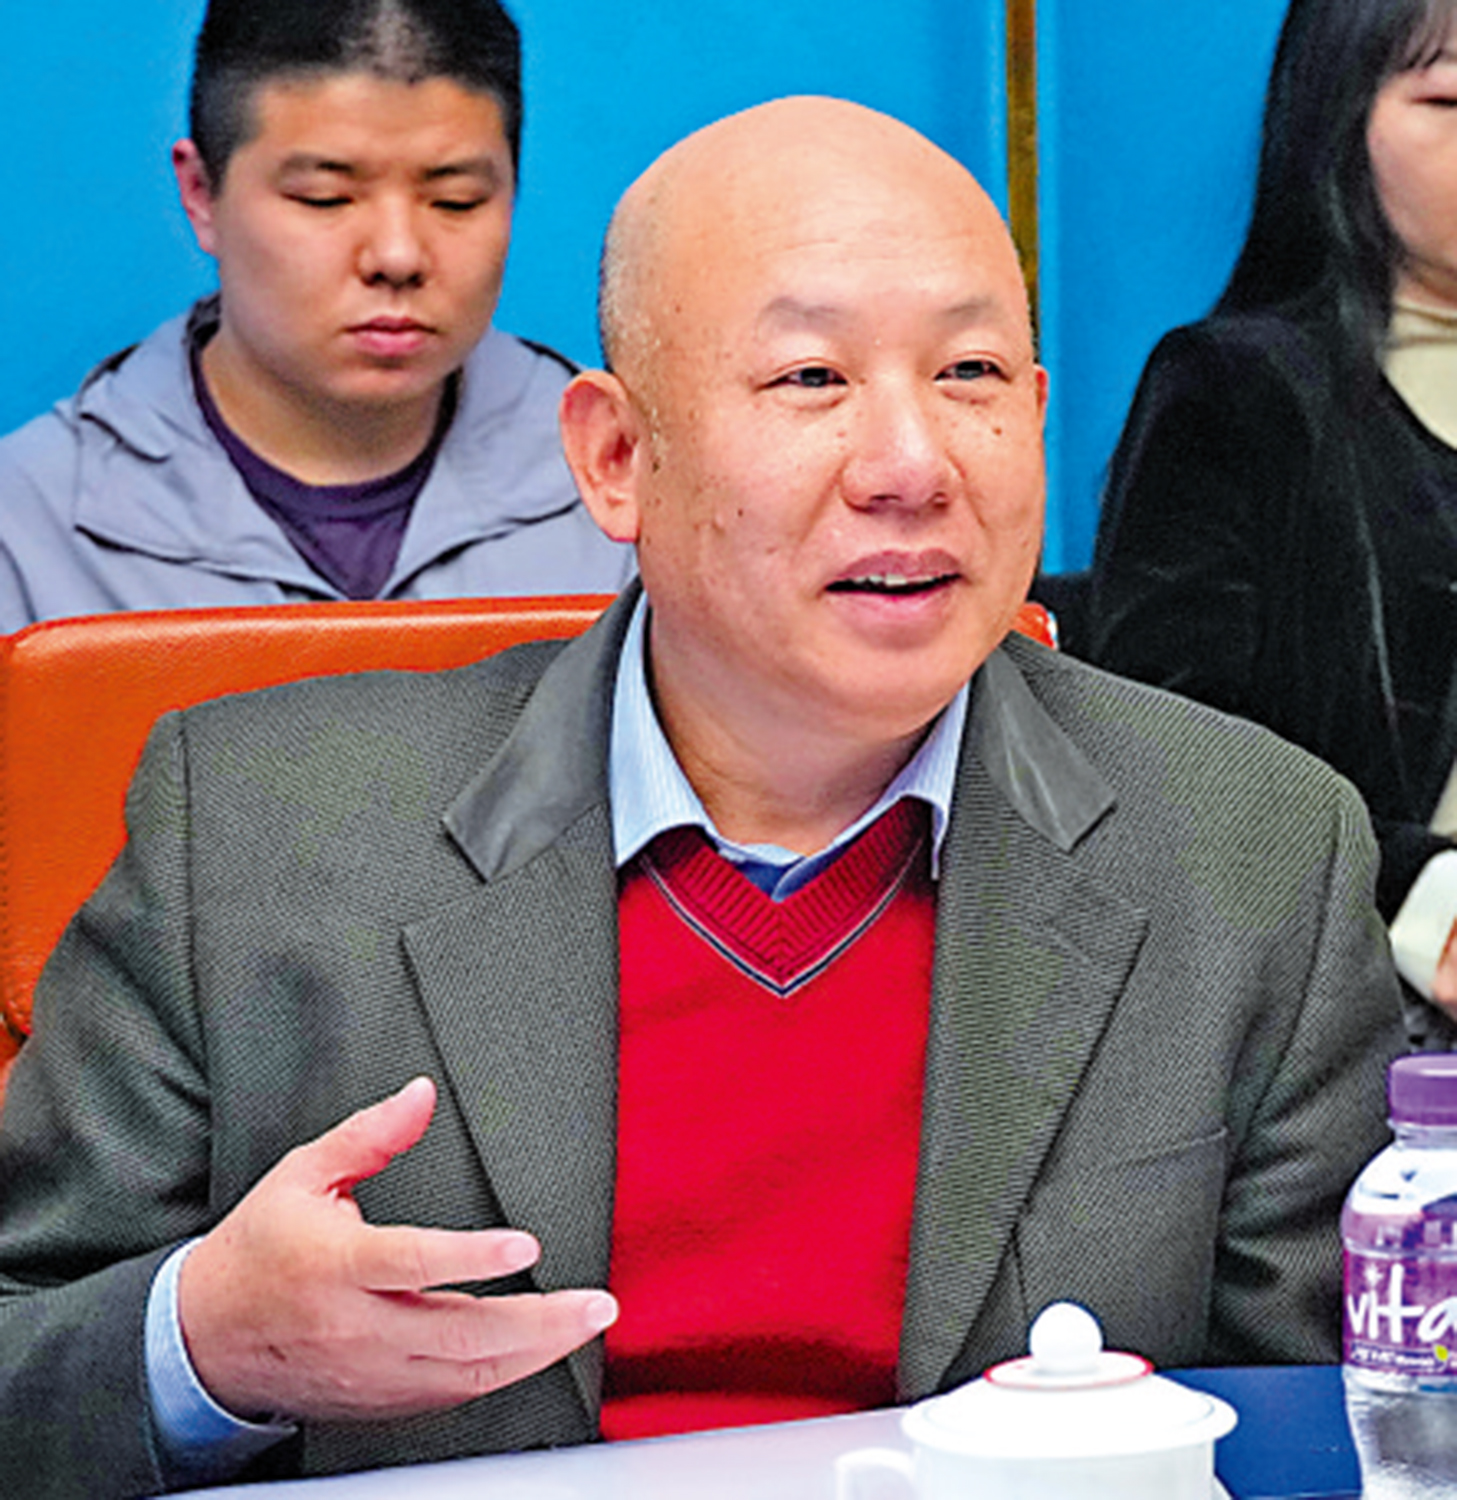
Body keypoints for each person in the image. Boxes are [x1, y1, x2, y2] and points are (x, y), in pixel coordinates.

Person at [0, 97, 1406, 1498]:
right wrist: (202, 1348)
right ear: (616, 458)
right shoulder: (254, 826)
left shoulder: (1250, 851)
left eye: (970, 373)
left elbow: (1334, 1421)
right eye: (810, 378)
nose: (912, 467)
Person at [0, 0, 632, 630]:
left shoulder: (631, 478)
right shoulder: (26, 530)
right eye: (324, 198)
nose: (397, 256)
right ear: (201, 193)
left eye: (455, 200)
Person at [1088, 0, 1457, 1029]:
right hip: (1353, 1019)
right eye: (1448, 102)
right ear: (1337, 120)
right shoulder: (1236, 394)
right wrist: (1424, 897)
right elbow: (1169, 754)